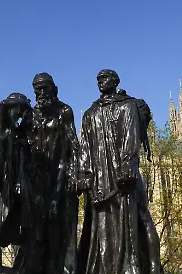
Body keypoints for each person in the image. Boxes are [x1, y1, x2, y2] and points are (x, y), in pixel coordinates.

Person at [77, 70, 162, 274]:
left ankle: (146, 265)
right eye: (98, 79)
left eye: (104, 78)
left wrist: (128, 166)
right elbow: (85, 148)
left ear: (115, 81)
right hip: (100, 178)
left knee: (136, 219)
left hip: (122, 175)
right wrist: (84, 175)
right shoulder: (91, 114)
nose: (100, 82)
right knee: (101, 226)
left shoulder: (128, 106)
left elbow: (131, 139)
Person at [19, 73, 79, 274]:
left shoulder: (64, 112)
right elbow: (21, 147)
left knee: (57, 232)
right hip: (35, 180)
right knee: (35, 235)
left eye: (44, 88)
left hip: (59, 178)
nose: (41, 93)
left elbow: (73, 147)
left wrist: (67, 182)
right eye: (37, 89)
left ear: (53, 89)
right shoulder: (31, 115)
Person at [0, 92, 32, 251]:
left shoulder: (15, 126)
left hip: (8, 172)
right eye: (21, 109)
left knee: (2, 210)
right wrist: (23, 103)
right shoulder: (2, 121)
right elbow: (4, 105)